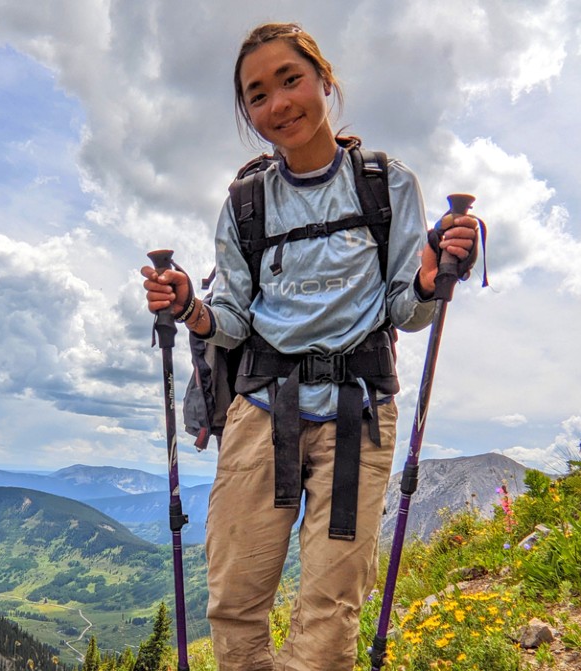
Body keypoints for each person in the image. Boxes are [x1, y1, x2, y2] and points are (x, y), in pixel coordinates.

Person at [141, 22, 478, 671]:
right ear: (247, 112)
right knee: (235, 599)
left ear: (323, 81)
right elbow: (233, 319)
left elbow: (406, 310)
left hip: (359, 414)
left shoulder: (386, 185)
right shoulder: (245, 200)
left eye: (289, 80)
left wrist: (432, 282)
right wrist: (190, 307)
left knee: (329, 607)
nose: (277, 103)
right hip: (260, 412)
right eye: (256, 94)